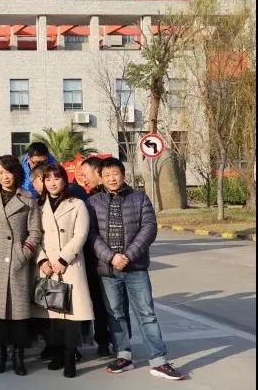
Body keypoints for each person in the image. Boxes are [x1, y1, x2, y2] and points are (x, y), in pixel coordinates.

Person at [88, 158, 185, 381]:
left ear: (123, 175)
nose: (112, 178)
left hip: (136, 268)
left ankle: (158, 361)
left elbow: (149, 228)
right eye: (107, 175)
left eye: (115, 173)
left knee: (146, 314)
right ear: (101, 178)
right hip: (108, 270)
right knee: (116, 313)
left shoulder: (140, 198)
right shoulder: (92, 202)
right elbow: (91, 235)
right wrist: (111, 257)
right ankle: (124, 355)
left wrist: (128, 256)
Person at [0, 155, 42, 377]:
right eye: (1, 172)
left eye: (9, 172)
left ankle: (18, 358)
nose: (5, 177)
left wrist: (23, 254)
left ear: (17, 173)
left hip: (16, 261)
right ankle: (0, 356)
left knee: (18, 314)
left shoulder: (28, 199)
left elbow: (35, 232)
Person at [32, 165, 94, 379]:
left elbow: (81, 235)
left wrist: (62, 259)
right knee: (52, 317)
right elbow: (34, 236)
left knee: (71, 317)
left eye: (56, 178)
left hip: (69, 265)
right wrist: (42, 260)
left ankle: (70, 357)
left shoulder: (77, 204)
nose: (52, 183)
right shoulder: (37, 206)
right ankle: (57, 353)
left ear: (65, 181)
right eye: (47, 179)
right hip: (47, 267)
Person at [77, 155, 113, 357]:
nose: (83, 179)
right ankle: (103, 340)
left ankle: (115, 341)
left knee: (112, 305)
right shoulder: (87, 196)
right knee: (98, 304)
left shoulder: (110, 196)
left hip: (110, 259)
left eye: (85, 174)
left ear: (98, 172)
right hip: (92, 260)